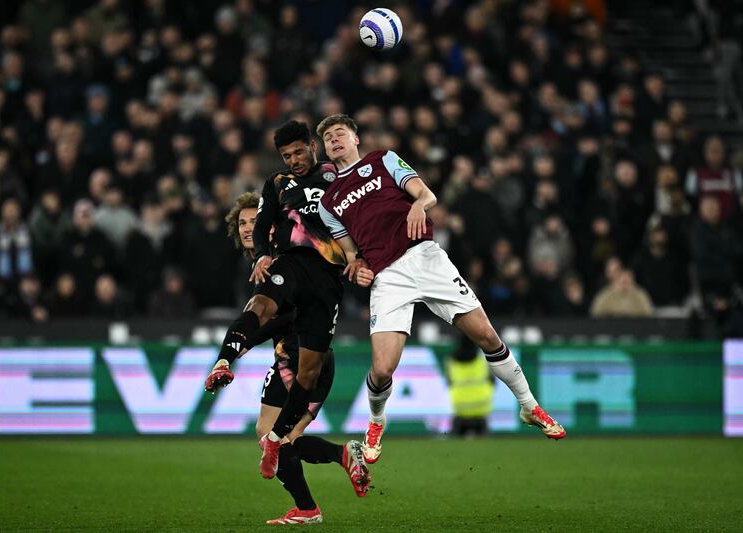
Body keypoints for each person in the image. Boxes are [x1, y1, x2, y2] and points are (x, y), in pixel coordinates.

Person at [316, 114, 566, 464]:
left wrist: (419, 205)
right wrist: (356, 267)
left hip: (426, 258)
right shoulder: (328, 202)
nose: (334, 139)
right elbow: (351, 254)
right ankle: (376, 421)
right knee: (383, 368)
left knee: (487, 336)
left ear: (355, 138)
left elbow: (426, 194)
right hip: (388, 277)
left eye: (340, 133)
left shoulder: (383, 160)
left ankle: (529, 406)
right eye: (327, 137)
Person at [203, 121, 348, 480]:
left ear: (312, 146)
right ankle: (223, 361)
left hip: (326, 282)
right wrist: (264, 255)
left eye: (299, 152)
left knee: (302, 390)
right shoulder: (278, 184)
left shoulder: (336, 175)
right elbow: (265, 220)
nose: (294, 160)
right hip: (292, 267)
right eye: (287, 156)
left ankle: (323, 457)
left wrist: (360, 259)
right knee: (259, 305)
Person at [215, 192, 370, 525]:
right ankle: (340, 458)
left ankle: (309, 506)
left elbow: (291, 314)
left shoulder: (285, 260)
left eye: (254, 221)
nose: (247, 228)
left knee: (270, 435)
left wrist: (246, 342)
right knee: (285, 439)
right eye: (242, 223)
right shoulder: (267, 261)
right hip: (316, 358)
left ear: (272, 225)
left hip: (297, 358)